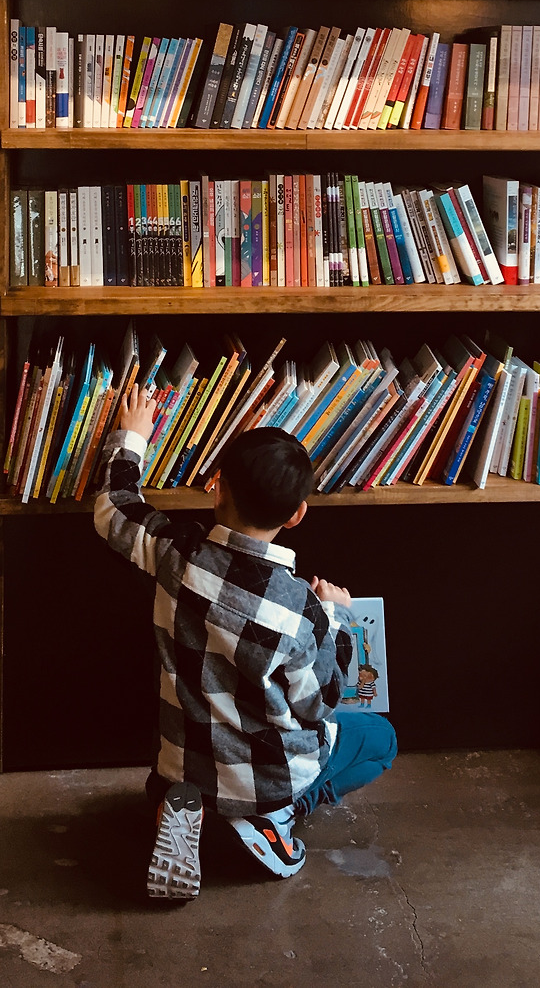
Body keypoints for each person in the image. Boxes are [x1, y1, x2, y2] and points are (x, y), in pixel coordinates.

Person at [94, 385, 398, 900]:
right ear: (297, 514)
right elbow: (321, 701)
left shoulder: (175, 553)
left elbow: (115, 509)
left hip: (181, 766)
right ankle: (275, 816)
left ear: (217, 488)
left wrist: (133, 437)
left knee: (190, 757)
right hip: (268, 778)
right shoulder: (300, 609)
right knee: (381, 740)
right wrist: (337, 618)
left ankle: (179, 803)